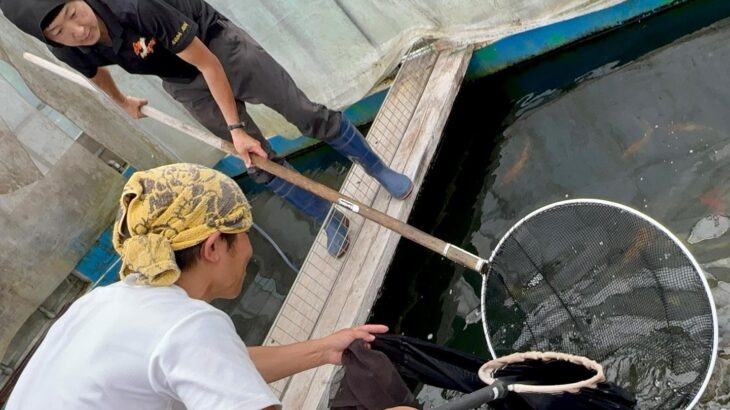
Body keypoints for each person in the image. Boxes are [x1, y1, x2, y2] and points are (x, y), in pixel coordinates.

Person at [0, 0, 414, 258]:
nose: (77, 29)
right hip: (184, 83)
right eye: (59, 30)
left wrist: (235, 125)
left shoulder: (137, 6)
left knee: (305, 114)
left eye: (74, 12)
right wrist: (121, 102)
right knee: (257, 163)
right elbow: (93, 72)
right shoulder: (67, 46)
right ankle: (331, 217)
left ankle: (378, 170)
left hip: (218, 49)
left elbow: (209, 65)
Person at [4, 163, 390, 410]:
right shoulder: (186, 323)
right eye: (243, 234)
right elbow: (198, 350)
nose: (249, 250)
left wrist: (324, 349)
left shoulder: (97, 304)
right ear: (213, 247)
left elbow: (222, 367)